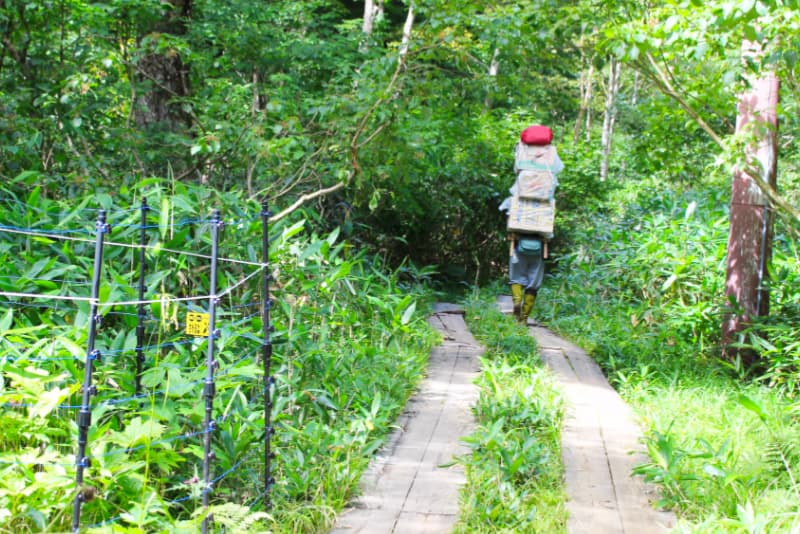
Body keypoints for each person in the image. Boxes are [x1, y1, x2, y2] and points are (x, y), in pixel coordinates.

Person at [499, 126, 563, 323]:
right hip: (540, 241)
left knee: (516, 276)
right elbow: (558, 170)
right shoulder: (549, 174)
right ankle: (524, 318)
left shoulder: (519, 186)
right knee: (534, 282)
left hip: (518, 239)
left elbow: (507, 210)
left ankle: (516, 301)